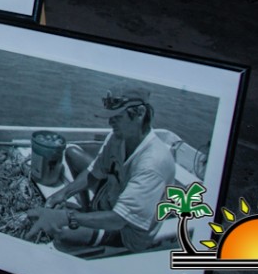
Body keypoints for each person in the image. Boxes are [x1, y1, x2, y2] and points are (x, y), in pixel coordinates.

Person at [26, 90, 177, 253]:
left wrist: (68, 217)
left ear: (140, 113)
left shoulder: (153, 164)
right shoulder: (119, 137)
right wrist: (63, 193)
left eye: (117, 117)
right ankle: (87, 210)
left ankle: (89, 227)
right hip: (112, 197)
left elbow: (119, 220)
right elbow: (94, 172)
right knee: (71, 153)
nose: (110, 122)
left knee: (62, 233)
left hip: (124, 230)